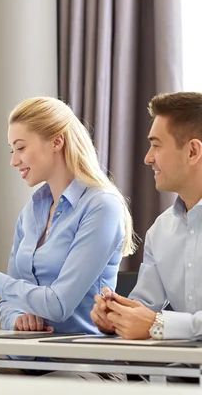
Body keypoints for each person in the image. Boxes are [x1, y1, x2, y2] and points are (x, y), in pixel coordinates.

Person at [0, 97, 137, 336]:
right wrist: (17, 319)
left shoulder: (101, 207)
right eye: (12, 150)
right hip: (27, 357)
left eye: (21, 148)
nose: (13, 161)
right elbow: (8, 302)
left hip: (82, 363)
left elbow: (58, 305)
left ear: (57, 141)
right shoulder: (31, 212)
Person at [91, 92, 202, 342]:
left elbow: (154, 322)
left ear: (193, 151)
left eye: (156, 145)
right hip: (177, 378)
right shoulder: (160, 231)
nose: (147, 157)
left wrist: (160, 325)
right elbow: (145, 306)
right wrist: (117, 316)